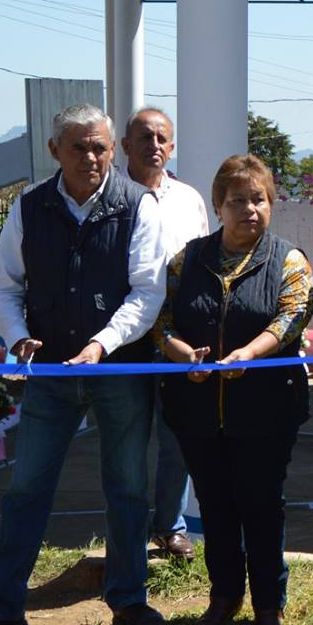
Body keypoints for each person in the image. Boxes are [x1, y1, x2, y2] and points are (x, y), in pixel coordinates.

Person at [0, 104, 168, 625]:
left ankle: (129, 601)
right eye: (79, 147)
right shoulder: (29, 208)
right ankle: (1, 607)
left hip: (118, 369)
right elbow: (2, 286)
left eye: (100, 146)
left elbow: (148, 291)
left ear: (113, 150)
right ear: (54, 151)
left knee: (127, 489)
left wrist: (101, 344)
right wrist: (15, 333)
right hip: (48, 373)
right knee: (26, 489)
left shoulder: (139, 206)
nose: (91, 157)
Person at [154, 154, 313, 625]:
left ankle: (269, 606)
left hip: (267, 410)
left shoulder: (288, 259)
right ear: (218, 205)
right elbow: (160, 322)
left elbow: (291, 319)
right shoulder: (187, 260)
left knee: (263, 507)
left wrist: (250, 352)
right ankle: (223, 597)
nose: (250, 209)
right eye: (238, 200)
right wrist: (184, 354)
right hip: (198, 411)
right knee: (215, 506)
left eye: (259, 199)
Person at [123, 107, 211, 564]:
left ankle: (170, 527)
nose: (154, 146)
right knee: (129, 438)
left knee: (177, 437)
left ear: (171, 147)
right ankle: (129, 526)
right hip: (127, 339)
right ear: (125, 146)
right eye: (144, 137)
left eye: (162, 138)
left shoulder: (189, 199)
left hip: (177, 338)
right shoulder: (113, 198)